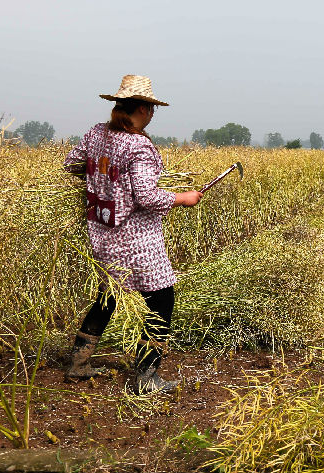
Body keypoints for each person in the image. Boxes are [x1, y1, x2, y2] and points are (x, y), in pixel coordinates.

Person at [63, 75, 203, 394]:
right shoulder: (139, 145)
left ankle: (79, 363)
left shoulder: (97, 134)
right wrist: (183, 197)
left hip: (102, 230)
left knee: (109, 295)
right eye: (151, 109)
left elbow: (72, 163)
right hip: (136, 238)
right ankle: (146, 377)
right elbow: (145, 196)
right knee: (160, 299)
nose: (152, 115)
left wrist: (103, 182)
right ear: (143, 108)